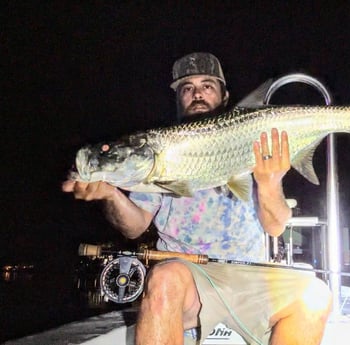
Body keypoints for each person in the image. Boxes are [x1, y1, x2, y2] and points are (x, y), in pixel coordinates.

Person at [63, 52, 331, 345]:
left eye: (207, 85)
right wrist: (111, 194)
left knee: (316, 296)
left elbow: (276, 227)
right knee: (163, 280)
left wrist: (269, 182)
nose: (197, 93)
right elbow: (135, 226)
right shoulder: (158, 152)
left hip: (252, 277)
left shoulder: (251, 140)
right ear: (178, 99)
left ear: (225, 96)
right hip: (187, 279)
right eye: (187, 88)